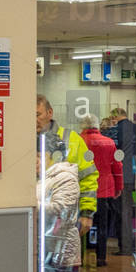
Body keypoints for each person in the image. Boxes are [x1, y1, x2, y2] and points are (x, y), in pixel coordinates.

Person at [36, 95, 98, 243]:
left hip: (64, 219)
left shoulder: (72, 139)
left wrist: (87, 213)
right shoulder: (20, 139)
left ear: (49, 113)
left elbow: (88, 177)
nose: (33, 120)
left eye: (37, 114)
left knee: (64, 261)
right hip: (33, 216)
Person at [79, 114, 123, 267]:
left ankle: (80, 257)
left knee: (81, 224)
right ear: (97, 126)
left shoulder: (79, 141)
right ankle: (101, 258)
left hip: (83, 190)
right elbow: (117, 167)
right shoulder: (109, 142)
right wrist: (119, 187)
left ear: (83, 126)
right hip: (105, 189)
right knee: (103, 225)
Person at [110, 107, 136, 255]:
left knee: (124, 212)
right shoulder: (135, 127)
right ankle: (134, 244)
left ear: (116, 116)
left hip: (123, 177)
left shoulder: (117, 130)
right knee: (134, 211)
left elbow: (114, 153)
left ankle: (126, 248)